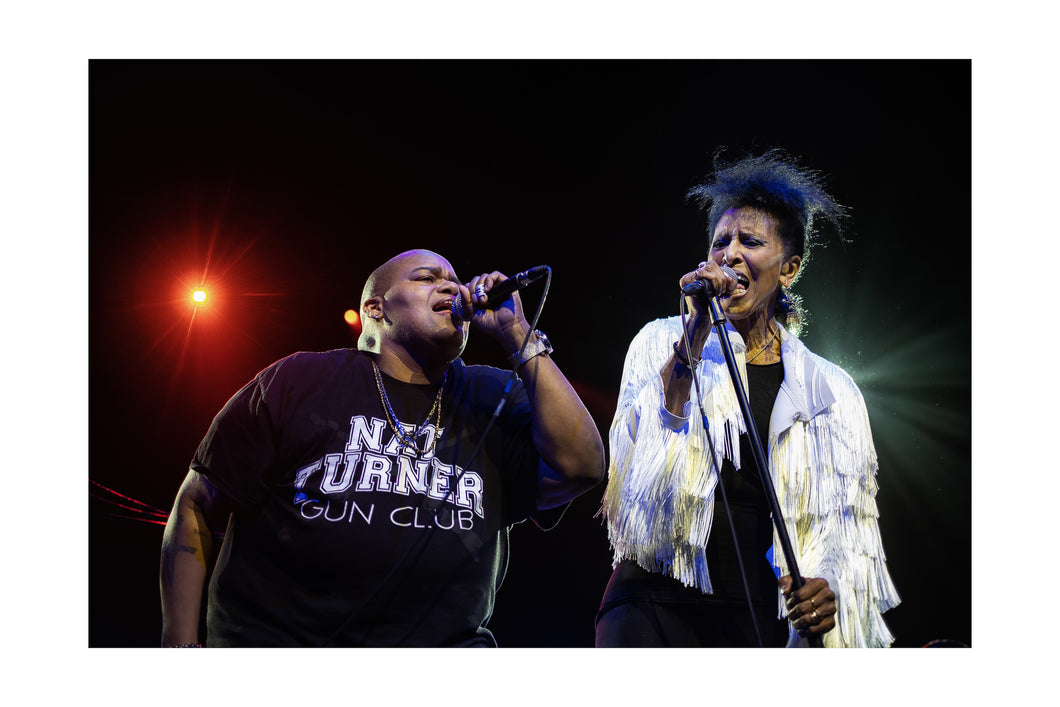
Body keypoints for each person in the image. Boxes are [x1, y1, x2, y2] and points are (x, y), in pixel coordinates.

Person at [160, 248, 605, 647]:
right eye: (427, 278)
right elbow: (197, 502)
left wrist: (517, 334)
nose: (451, 285)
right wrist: (179, 647)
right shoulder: (298, 381)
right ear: (376, 307)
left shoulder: (493, 395)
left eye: (453, 278)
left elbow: (582, 466)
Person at [595, 149, 900, 648]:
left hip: (756, 616)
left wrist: (828, 585)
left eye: (750, 241)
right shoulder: (659, 341)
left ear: (789, 269)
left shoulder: (830, 389)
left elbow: (845, 521)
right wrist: (694, 333)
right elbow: (638, 481)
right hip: (652, 605)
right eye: (720, 242)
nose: (730, 253)